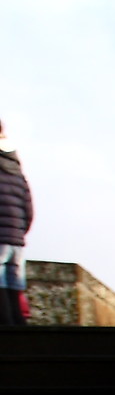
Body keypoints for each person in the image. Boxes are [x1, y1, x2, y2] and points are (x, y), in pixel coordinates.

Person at [0, 118, 31, 325]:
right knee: (15, 284)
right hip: (17, 239)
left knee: (1, 284)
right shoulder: (17, 169)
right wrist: (20, 231)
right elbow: (29, 208)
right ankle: (19, 329)